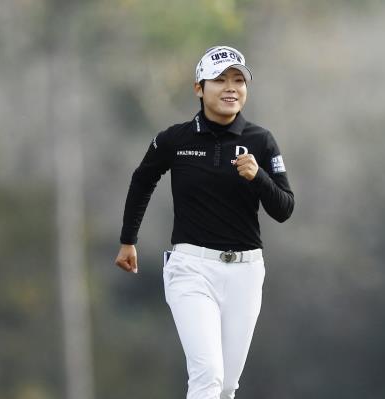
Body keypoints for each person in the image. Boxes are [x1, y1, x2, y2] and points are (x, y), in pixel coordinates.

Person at [114, 45, 294, 399]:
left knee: (226, 385)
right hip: (191, 270)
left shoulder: (261, 141)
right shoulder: (175, 140)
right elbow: (142, 180)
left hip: (245, 272)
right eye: (220, 80)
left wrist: (258, 177)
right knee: (208, 376)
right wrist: (127, 239)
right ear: (199, 88)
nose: (231, 87)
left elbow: (284, 208)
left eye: (238, 80)